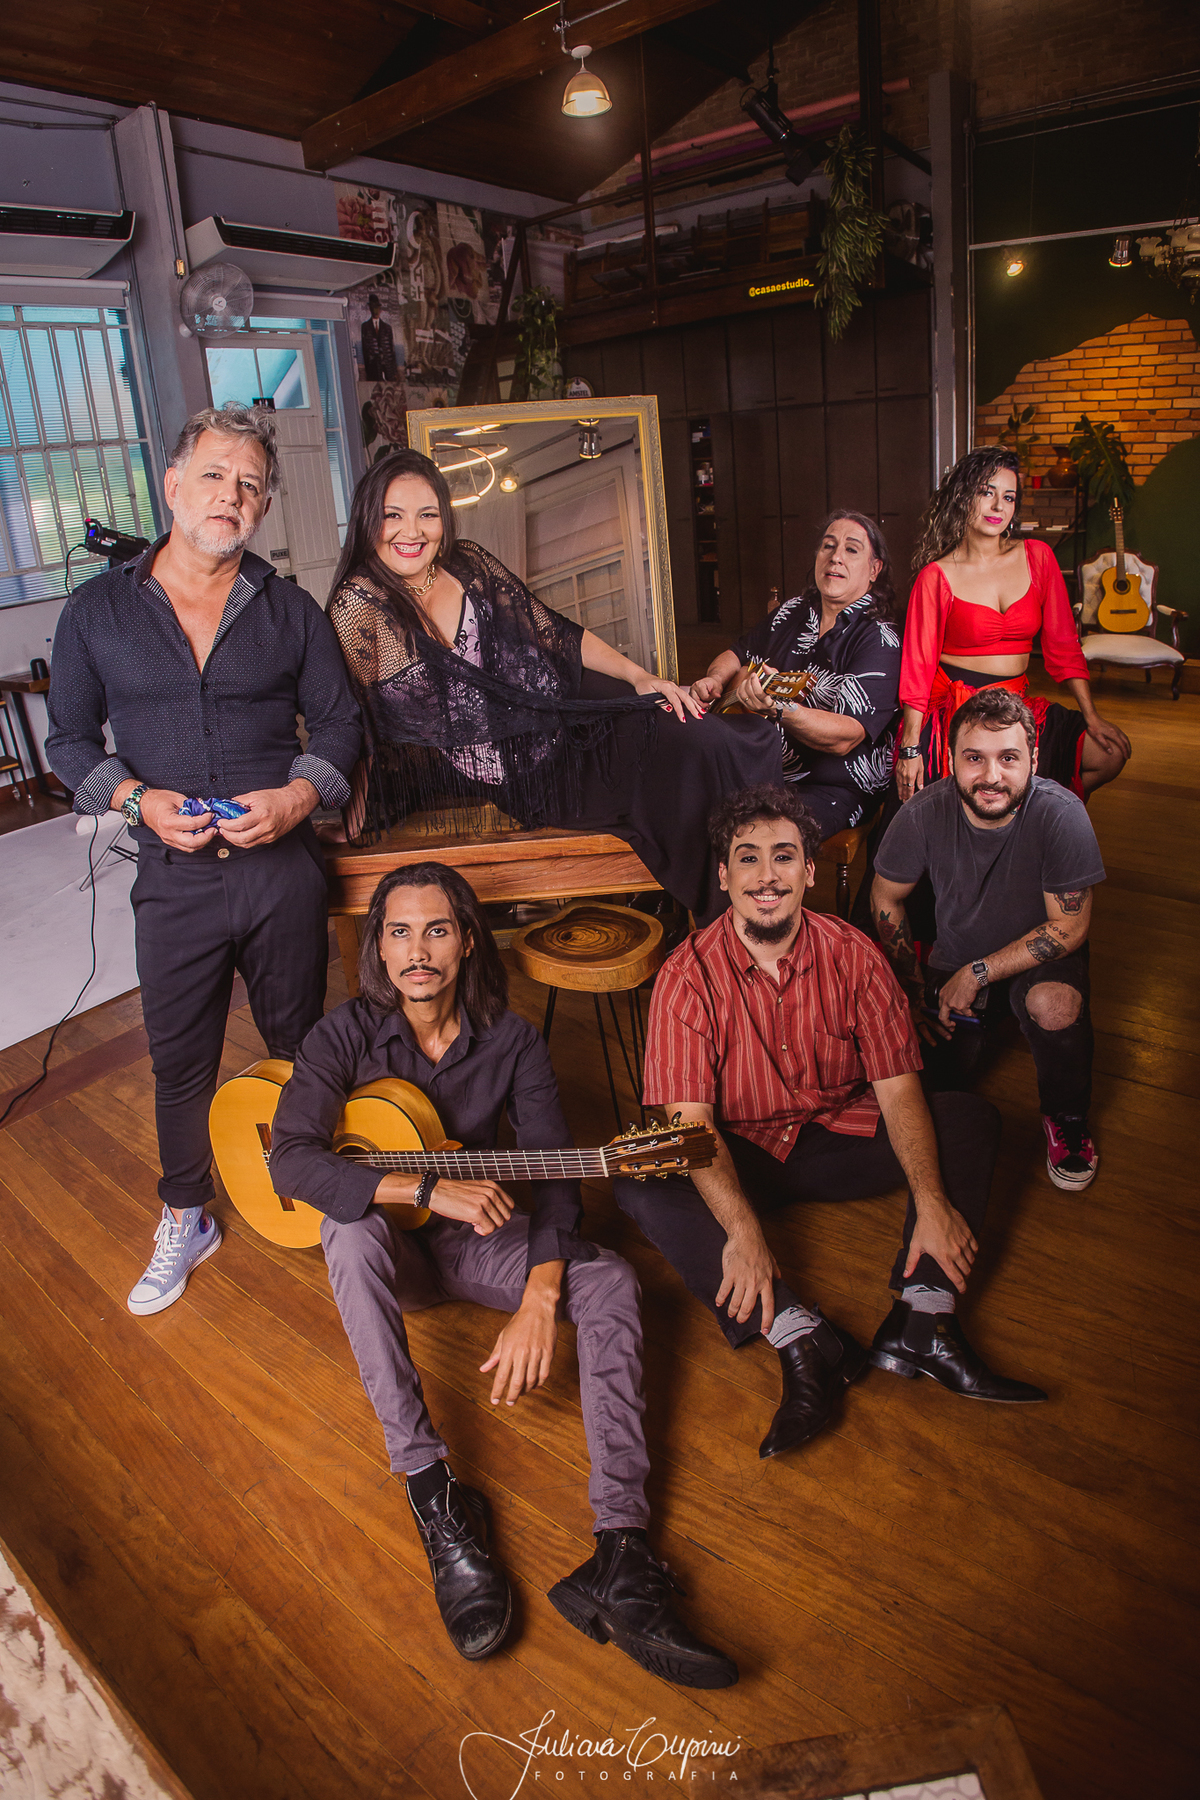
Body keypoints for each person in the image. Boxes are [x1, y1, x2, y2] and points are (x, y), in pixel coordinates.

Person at [268, 862, 737, 1687]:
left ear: (467, 942)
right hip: (394, 1253)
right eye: (400, 932)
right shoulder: (340, 1036)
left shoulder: (513, 1041)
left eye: (437, 930)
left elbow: (555, 1178)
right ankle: (431, 1490)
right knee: (347, 1231)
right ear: (379, 947)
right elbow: (291, 1161)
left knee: (612, 1281)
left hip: (478, 1242)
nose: (418, 951)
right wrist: (420, 1187)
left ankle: (622, 1551)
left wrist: (540, 1296)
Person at [614, 784, 1046, 1461]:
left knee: (968, 1118)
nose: (767, 876)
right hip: (743, 1152)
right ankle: (801, 1336)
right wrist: (743, 1232)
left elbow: (899, 1088)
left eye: (783, 856)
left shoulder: (854, 953)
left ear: (809, 870)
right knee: (639, 1174)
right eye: (748, 858)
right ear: (723, 875)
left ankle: (923, 1320)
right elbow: (692, 1127)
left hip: (840, 1132)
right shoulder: (685, 976)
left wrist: (933, 1200)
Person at [45, 403, 361, 1317]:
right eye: (216, 475)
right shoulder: (97, 611)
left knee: (301, 1043)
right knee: (179, 1059)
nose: (231, 496)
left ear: (263, 506)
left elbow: (341, 726)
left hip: (281, 871)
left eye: (250, 485)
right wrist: (135, 800)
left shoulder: (290, 610)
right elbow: (68, 742)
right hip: (173, 879)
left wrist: (296, 798)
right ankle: (186, 1215)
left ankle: (320, 1191)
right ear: (174, 484)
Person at [326, 448, 783, 924]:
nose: (412, 532)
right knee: (683, 771)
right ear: (368, 518)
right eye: (393, 516)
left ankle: (758, 891)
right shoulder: (358, 606)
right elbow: (357, 718)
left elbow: (553, 633)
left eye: (428, 514)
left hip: (572, 701)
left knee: (702, 735)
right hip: (532, 771)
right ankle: (726, 916)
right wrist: (353, 820)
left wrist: (640, 677)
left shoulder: (466, 562)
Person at [871, 688, 1105, 1192]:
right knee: (928, 1088)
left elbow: (1069, 927)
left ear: (1034, 759)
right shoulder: (923, 811)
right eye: (974, 757)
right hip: (957, 956)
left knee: (1054, 1006)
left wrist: (977, 974)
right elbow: (885, 897)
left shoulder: (1061, 814)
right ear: (951, 757)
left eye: (1008, 758)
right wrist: (910, 987)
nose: (991, 776)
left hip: (1040, 957)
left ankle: (1066, 1117)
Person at [896, 448, 1130, 805]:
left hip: (1016, 706)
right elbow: (918, 667)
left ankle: (1042, 820)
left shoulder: (1038, 557)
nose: (998, 506)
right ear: (963, 497)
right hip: (956, 712)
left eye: (1008, 497)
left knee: (1109, 754)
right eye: (986, 492)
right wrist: (910, 748)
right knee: (961, 808)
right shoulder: (936, 576)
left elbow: (1064, 645)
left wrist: (1091, 716)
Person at [691, 511, 901, 840]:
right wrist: (716, 679)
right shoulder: (793, 610)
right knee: (692, 804)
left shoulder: (880, 638)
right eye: (828, 546)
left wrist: (780, 708)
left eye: (851, 549)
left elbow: (846, 736)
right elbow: (738, 652)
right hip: (763, 769)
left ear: (875, 569)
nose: (835, 557)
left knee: (761, 834)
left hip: (833, 786)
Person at [361, 292, 399, 384]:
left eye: (377, 308)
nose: (376, 311)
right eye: (373, 308)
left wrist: (394, 370)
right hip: (373, 368)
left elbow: (391, 349)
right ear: (370, 309)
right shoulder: (365, 326)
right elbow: (365, 350)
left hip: (388, 367)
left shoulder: (387, 328)